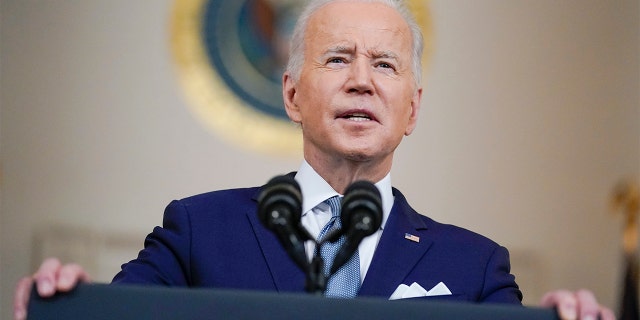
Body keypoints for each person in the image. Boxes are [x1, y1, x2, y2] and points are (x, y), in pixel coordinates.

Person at [14, 0, 615, 319]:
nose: (361, 82)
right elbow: (118, 319)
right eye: (336, 60)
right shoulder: (198, 232)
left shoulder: (477, 267)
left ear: (412, 109)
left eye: (385, 64)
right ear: (292, 94)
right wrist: (65, 302)